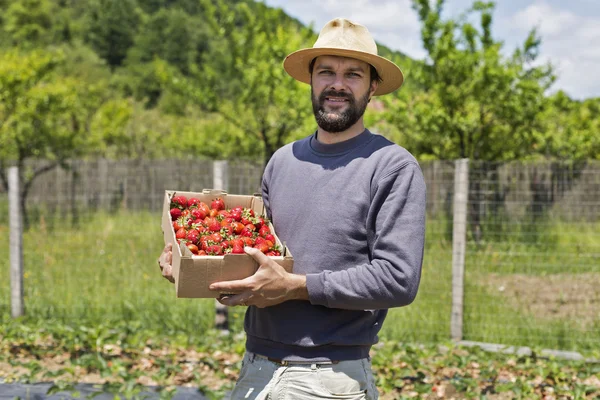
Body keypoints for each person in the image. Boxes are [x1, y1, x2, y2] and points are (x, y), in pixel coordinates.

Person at [159, 17, 426, 400]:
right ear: (312, 80)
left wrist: (297, 287)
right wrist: (196, 270)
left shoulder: (391, 166)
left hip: (329, 376)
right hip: (256, 369)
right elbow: (260, 262)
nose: (337, 84)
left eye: (353, 74)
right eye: (326, 72)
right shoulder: (283, 160)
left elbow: (398, 279)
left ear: (373, 87)